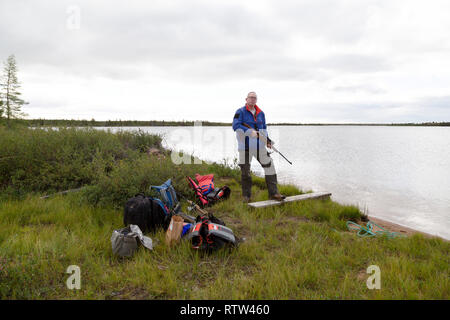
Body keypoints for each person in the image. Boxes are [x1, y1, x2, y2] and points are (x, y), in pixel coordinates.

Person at [232, 91, 286, 203]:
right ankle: (246, 197)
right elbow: (235, 126)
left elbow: (263, 129)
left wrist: (268, 141)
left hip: (259, 146)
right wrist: (248, 131)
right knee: (245, 172)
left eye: (254, 98)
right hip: (245, 147)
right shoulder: (240, 112)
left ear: (256, 100)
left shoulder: (261, 113)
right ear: (246, 99)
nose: (252, 99)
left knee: (270, 168)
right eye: (250, 97)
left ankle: (274, 194)